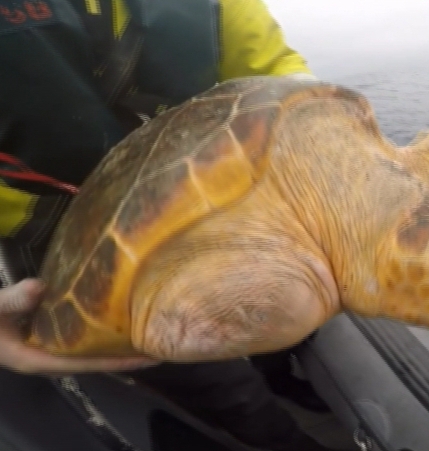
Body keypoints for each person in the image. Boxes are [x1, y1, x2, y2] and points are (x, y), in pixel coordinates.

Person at [0, 0, 339, 450]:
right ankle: (285, 440)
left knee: (264, 312)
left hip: (209, 211)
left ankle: (282, 377)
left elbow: (274, 70)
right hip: (73, 249)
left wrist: (320, 124)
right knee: (211, 375)